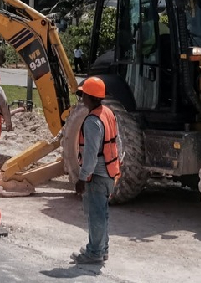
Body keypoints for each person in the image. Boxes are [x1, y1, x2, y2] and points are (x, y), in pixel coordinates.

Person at [72, 76, 121, 266]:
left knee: (96, 214)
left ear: (90, 96)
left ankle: (94, 253)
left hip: (98, 175)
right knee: (103, 213)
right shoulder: (107, 112)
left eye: (83, 94)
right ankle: (101, 248)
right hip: (110, 171)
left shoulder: (92, 121)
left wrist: (82, 179)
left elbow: (91, 154)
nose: (82, 98)